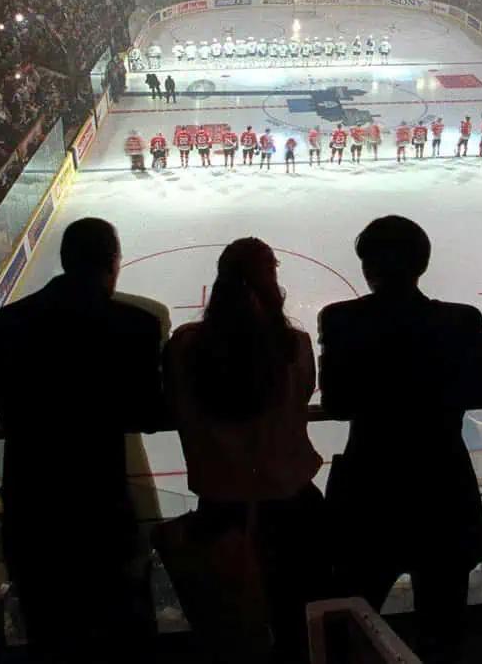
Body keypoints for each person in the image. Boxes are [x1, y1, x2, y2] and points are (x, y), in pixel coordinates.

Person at [0, 219, 167, 661]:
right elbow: (151, 414)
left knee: (52, 635)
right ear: (114, 263)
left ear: (63, 261)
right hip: (102, 515)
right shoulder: (135, 326)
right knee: (124, 633)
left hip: (33, 515)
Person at [319, 217, 482, 663]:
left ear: (367, 268)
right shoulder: (461, 321)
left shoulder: (341, 320)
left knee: (350, 625)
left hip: (369, 495)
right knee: (443, 632)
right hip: (443, 495)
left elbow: (337, 404)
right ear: (422, 264)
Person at [163, 238, 326, 662]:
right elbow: (301, 397)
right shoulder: (296, 347)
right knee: (297, 627)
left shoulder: (183, 348)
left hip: (220, 514)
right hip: (292, 510)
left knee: (229, 631)